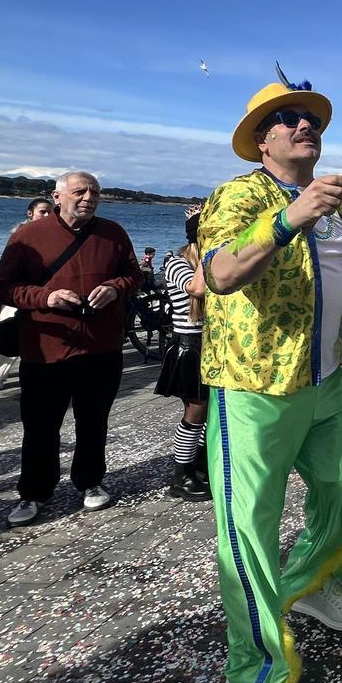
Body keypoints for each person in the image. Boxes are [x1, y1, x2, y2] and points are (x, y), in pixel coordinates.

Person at [198, 70, 342, 683]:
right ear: (262, 141)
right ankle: (257, 662)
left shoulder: (334, 206)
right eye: (288, 119)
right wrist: (289, 219)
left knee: (339, 492)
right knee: (249, 528)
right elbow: (221, 273)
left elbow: (336, 274)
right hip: (254, 385)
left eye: (310, 118)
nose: (304, 125)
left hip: (327, 380)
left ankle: (312, 585)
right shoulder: (237, 196)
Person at [0, 171, 143, 526]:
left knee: (94, 422)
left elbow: (135, 275)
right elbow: (3, 287)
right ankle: (33, 492)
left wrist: (115, 288)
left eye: (95, 192)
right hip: (45, 349)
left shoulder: (113, 233)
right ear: (57, 197)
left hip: (101, 347)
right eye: (80, 191)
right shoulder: (28, 235)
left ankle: (90, 482)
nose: (88, 197)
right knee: (40, 426)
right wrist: (47, 297)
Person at [154, 204, 209, 501]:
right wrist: (208, 252)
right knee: (194, 412)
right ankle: (181, 474)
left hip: (210, 344)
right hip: (189, 345)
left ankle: (200, 465)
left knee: (208, 413)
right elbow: (195, 289)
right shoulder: (175, 262)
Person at [0, 199, 56, 388]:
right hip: (18, 292)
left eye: (49, 212)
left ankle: (0, 376)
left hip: (36, 293)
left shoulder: (51, 235)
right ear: (30, 213)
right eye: (43, 212)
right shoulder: (21, 234)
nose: (47, 216)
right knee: (9, 331)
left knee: (21, 336)